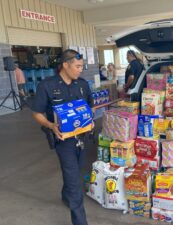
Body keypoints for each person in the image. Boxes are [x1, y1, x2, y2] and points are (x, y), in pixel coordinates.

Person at [31, 49, 93, 225]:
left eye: (82, 66)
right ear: (65, 65)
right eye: (78, 66)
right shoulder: (47, 85)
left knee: (76, 172)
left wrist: (90, 120)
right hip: (63, 141)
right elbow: (37, 113)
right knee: (74, 180)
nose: (81, 70)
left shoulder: (82, 84)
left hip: (83, 137)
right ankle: (80, 221)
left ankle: (66, 196)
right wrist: (51, 125)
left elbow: (90, 107)